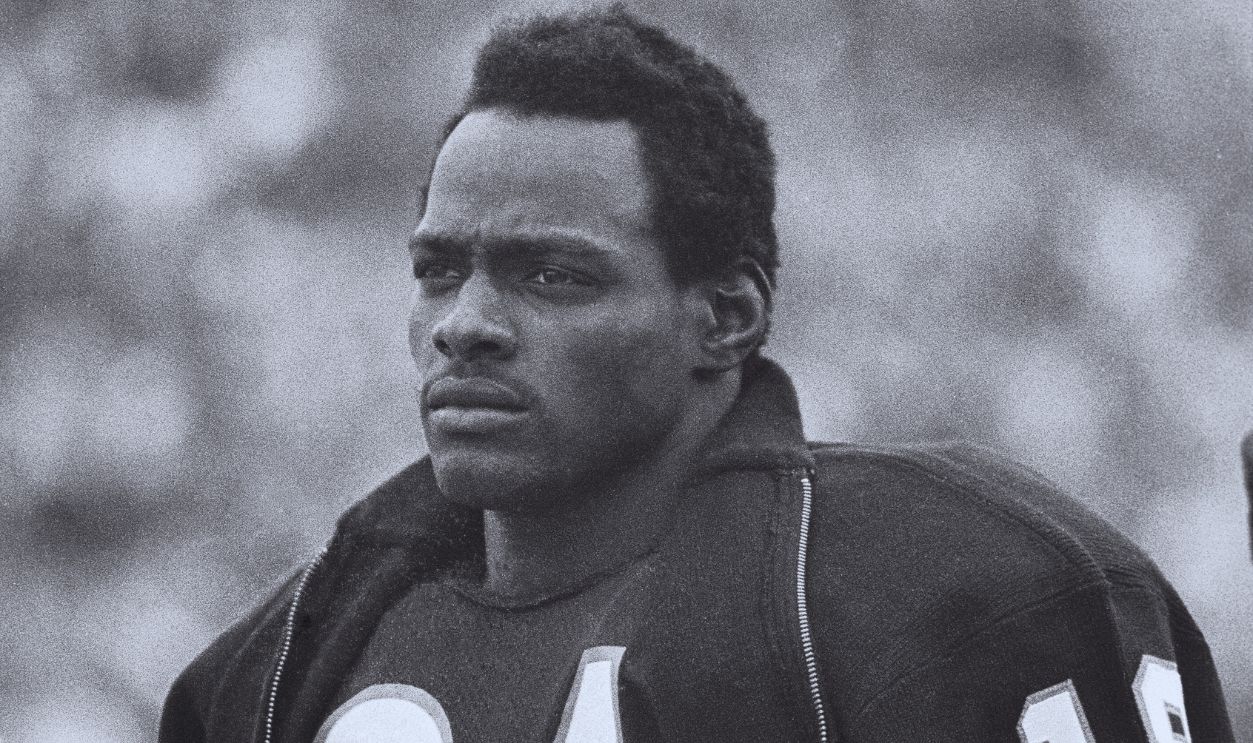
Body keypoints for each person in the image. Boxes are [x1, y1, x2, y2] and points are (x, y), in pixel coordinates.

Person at [158, 6, 1234, 742]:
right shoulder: (264, 668)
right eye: (438, 270)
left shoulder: (970, 589)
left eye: (551, 274)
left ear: (724, 316)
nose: (466, 325)